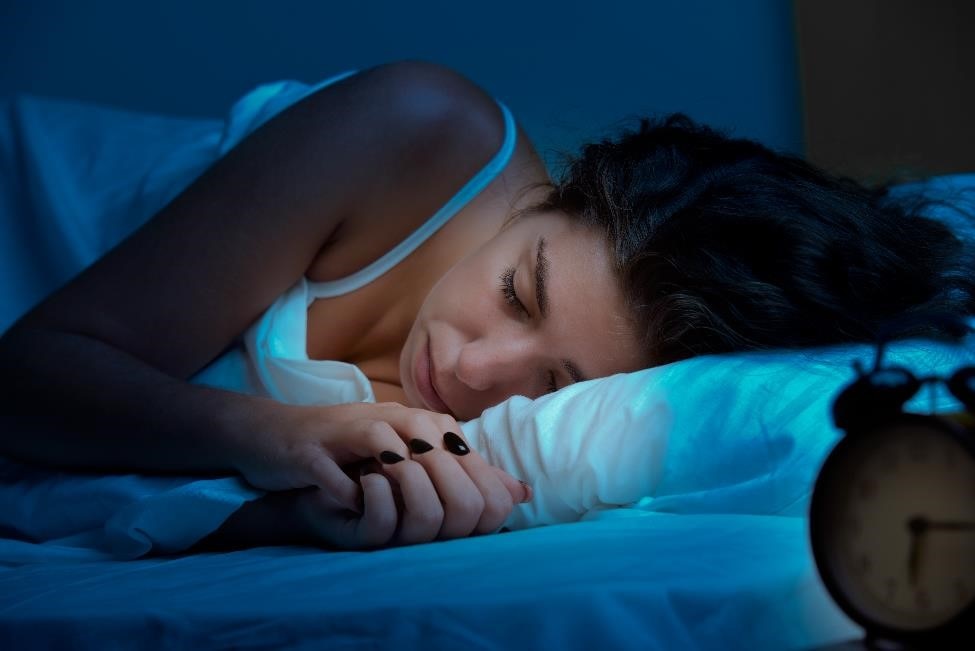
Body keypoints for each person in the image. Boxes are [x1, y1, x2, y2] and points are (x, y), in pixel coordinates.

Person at [0, 60, 972, 552]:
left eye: (555, 382)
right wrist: (265, 432)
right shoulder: (414, 128)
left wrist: (293, 517)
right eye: (518, 290)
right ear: (546, 198)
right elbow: (29, 379)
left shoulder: (512, 455)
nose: (473, 371)